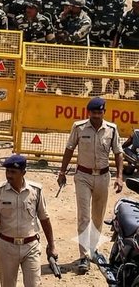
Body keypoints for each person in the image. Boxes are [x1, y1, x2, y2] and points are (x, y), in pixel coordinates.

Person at [57, 96, 125, 273]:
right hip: (83, 176)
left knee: (97, 216)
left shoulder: (112, 129)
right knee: (84, 217)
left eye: (99, 113)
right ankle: (84, 256)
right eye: (93, 113)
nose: (96, 116)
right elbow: (69, 148)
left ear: (104, 112)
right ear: (89, 113)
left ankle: (93, 249)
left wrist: (119, 177)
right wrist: (62, 172)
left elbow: (118, 153)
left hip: (103, 177)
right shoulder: (78, 127)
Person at [0, 154, 58, 287]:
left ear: (23, 173)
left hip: (31, 246)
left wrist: (52, 245)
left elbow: (44, 218)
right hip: (7, 246)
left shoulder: (36, 191)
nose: (9, 175)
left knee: (34, 284)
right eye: (7, 171)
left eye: (13, 172)